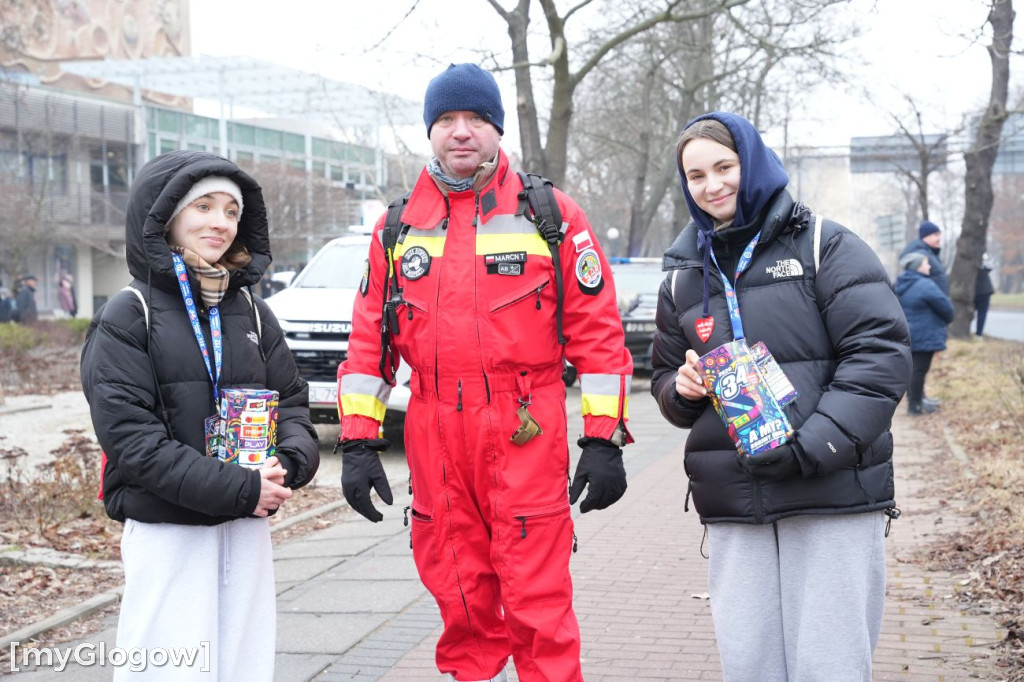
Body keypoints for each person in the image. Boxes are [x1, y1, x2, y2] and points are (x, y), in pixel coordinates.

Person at [337, 63, 633, 682]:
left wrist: (604, 438)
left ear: (497, 127)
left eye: (476, 118)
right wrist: (360, 441)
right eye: (446, 119)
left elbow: (600, 338)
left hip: (525, 425)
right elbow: (369, 343)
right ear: (431, 131)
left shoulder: (551, 215)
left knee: (537, 600)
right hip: (435, 433)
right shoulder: (397, 228)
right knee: (460, 596)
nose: (461, 132)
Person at [650, 112, 911, 681]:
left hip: (830, 491)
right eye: (696, 175)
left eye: (725, 167)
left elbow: (880, 358)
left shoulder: (827, 245)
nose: (713, 184)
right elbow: (665, 379)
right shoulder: (683, 276)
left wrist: (808, 447)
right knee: (750, 666)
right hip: (735, 500)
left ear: (755, 163)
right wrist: (684, 389)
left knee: (830, 665)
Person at [80, 150, 320, 680]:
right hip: (169, 530)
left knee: (244, 664)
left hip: (246, 523)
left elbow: (293, 405)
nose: (220, 222)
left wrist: (285, 464)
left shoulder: (254, 310)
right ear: (165, 216)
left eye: (231, 211)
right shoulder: (128, 314)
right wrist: (240, 486)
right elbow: (133, 442)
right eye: (203, 206)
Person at [895, 251, 955, 415]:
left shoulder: (901, 283)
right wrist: (947, 319)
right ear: (918, 267)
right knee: (919, 371)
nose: (929, 266)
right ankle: (914, 406)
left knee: (913, 370)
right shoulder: (925, 285)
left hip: (907, 334)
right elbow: (946, 309)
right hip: (924, 336)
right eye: (926, 263)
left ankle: (918, 400)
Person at [900, 220, 949, 294]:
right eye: (936, 235)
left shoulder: (930, 253)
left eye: (939, 235)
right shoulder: (919, 255)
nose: (939, 238)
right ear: (926, 236)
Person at [974, 253, 995, 338]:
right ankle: (979, 334)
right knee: (982, 314)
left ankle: (979, 334)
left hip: (979, 290)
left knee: (981, 314)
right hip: (983, 290)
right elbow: (990, 267)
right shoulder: (984, 257)